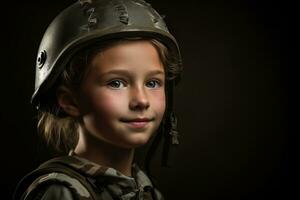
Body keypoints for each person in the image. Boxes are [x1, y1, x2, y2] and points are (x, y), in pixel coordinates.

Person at [14, 0, 182, 199]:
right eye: (116, 83)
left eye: (152, 83)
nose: (142, 100)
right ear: (70, 101)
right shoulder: (62, 192)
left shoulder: (147, 191)